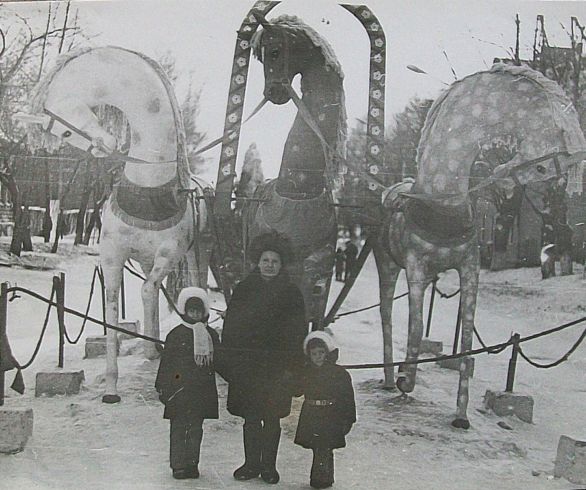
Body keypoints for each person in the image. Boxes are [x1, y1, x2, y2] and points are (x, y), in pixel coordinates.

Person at [220, 232, 307, 484]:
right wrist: (232, 362)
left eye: (274, 261)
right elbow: (232, 328)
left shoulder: (291, 294)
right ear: (258, 262)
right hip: (248, 368)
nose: (269, 265)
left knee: (271, 418)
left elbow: (298, 333)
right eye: (265, 260)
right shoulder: (245, 289)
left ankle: (268, 467)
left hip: (277, 370)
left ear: (281, 265)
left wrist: (292, 368)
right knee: (250, 417)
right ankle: (250, 464)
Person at [155, 287, 220, 480]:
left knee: (195, 429)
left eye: (199, 311)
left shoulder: (210, 335)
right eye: (191, 311)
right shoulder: (176, 334)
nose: (195, 315)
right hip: (179, 390)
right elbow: (166, 362)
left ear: (204, 312)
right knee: (178, 428)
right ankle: (178, 465)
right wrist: (162, 386)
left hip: (201, 391)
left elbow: (220, 359)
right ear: (185, 311)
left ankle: (192, 463)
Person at [294, 331, 356, 489]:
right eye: (313, 354)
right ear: (308, 355)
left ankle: (322, 480)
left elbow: (347, 398)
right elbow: (297, 391)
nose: (318, 357)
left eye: (321, 353)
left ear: (328, 352)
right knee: (318, 447)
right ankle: (323, 478)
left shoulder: (339, 373)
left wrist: (348, 419)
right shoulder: (306, 372)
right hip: (311, 413)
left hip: (331, 414)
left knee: (325, 447)